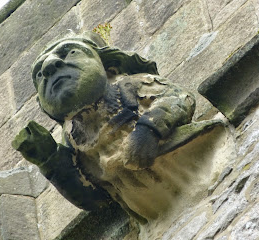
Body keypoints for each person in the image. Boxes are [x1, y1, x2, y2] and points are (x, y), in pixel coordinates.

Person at [12, 32, 196, 222]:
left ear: (107, 65)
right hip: (151, 208)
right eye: (40, 75)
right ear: (44, 106)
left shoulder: (129, 86)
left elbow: (179, 99)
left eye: (72, 52)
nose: (50, 66)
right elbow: (93, 198)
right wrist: (50, 161)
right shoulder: (73, 140)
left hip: (189, 168)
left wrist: (148, 130)